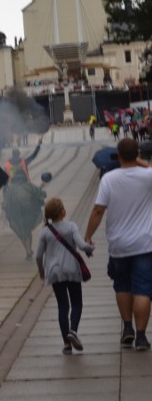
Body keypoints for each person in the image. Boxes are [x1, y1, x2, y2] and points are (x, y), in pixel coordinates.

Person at [84, 138, 152, 351]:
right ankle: (141, 337)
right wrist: (141, 161)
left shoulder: (109, 179)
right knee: (143, 290)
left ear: (119, 155)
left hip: (119, 244)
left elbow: (98, 210)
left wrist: (87, 236)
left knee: (122, 286)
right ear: (137, 153)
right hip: (145, 244)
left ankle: (128, 329)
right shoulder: (148, 176)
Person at [36, 197, 95, 354]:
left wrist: (42, 271)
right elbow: (82, 245)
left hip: (54, 273)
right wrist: (90, 248)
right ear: (62, 211)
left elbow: (38, 255)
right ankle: (73, 331)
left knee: (63, 306)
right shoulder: (71, 226)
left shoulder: (45, 232)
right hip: (72, 270)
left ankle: (67, 345)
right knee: (77, 304)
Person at [3, 169, 47, 260]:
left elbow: (6, 202)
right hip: (30, 212)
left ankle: (27, 250)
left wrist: (6, 211)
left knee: (22, 232)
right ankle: (29, 250)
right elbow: (39, 194)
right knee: (28, 231)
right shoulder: (29, 186)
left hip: (15, 214)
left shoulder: (11, 188)